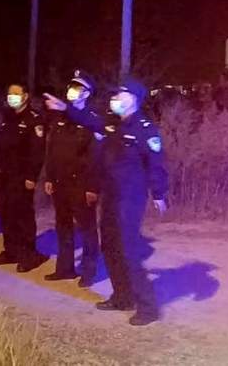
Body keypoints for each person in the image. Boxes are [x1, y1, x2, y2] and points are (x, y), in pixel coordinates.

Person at [44, 76, 169, 326]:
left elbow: (156, 163)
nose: (115, 99)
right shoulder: (113, 124)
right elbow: (88, 120)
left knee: (128, 251)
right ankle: (122, 297)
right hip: (111, 195)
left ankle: (148, 307)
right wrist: (65, 108)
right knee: (110, 247)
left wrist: (159, 193)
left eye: (121, 95)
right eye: (115, 94)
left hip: (130, 198)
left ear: (134, 99)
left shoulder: (144, 128)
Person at [44, 70, 100, 287]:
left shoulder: (92, 119)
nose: (71, 90)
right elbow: (52, 149)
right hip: (60, 182)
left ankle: (88, 271)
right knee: (63, 226)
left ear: (87, 93)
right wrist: (49, 177)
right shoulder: (60, 116)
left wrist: (92, 187)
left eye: (77, 87)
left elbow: (96, 157)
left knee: (87, 229)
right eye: (71, 86)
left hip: (81, 184)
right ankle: (65, 269)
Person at [0, 84, 48, 273]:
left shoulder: (34, 119)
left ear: (25, 96)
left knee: (23, 216)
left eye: (16, 93)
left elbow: (38, 152)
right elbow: (0, 148)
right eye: (9, 94)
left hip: (22, 177)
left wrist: (32, 176)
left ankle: (29, 255)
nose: (11, 97)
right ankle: (11, 251)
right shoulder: (8, 117)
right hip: (4, 175)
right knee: (7, 214)